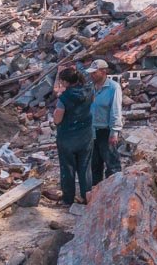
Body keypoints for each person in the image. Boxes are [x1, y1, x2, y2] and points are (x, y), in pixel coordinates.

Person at [53, 66, 94, 206]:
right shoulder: (89, 91)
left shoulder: (64, 98)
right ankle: (87, 197)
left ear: (65, 82)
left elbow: (58, 118)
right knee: (85, 168)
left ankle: (68, 199)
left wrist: (55, 120)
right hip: (86, 135)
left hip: (67, 138)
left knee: (68, 168)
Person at [89, 59, 123, 185]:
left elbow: (116, 110)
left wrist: (114, 132)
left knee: (112, 165)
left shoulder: (113, 87)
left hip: (106, 131)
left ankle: (113, 192)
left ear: (104, 72)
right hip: (92, 131)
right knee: (94, 165)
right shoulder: (91, 87)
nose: (91, 75)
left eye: (94, 73)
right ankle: (96, 193)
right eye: (91, 73)